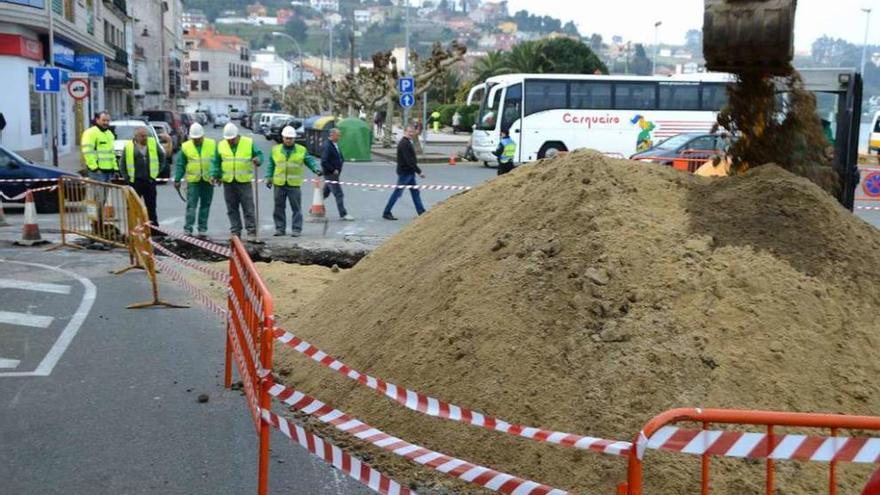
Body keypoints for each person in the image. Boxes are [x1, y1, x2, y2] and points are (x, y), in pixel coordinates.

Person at [265, 126, 322, 237]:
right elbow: (271, 165)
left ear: (294, 139)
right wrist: (269, 177)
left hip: (294, 184)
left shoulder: (301, 150)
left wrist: (316, 169)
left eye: (291, 138)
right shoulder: (275, 150)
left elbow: (309, 160)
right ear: (283, 138)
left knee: (296, 208)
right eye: (287, 138)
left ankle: (296, 229)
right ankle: (280, 229)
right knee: (278, 207)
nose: (289, 140)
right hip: (279, 183)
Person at [211, 122, 263, 240]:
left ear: (237, 136)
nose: (230, 141)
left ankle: (251, 231)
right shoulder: (221, 145)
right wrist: (215, 175)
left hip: (243, 181)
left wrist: (258, 159)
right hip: (228, 182)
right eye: (228, 139)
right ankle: (235, 231)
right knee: (231, 208)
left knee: (248, 207)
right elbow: (216, 162)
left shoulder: (248, 143)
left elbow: (259, 155)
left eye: (232, 139)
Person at [175, 123, 215, 238]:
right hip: (193, 181)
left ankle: (202, 228)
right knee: (191, 205)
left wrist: (217, 175)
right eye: (194, 139)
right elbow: (180, 164)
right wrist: (177, 179)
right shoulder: (186, 147)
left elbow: (216, 161)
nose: (197, 140)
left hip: (208, 180)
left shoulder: (211, 144)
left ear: (203, 136)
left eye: (198, 138)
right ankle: (188, 228)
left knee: (205, 205)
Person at [122, 126, 164, 227]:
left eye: (146, 136)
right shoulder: (128, 147)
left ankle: (154, 229)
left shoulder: (152, 143)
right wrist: (127, 178)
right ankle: (134, 228)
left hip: (149, 181)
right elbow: (122, 164)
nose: (145, 138)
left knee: (151, 206)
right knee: (134, 207)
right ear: (136, 137)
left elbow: (162, 157)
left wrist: (157, 172)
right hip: (135, 182)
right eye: (142, 136)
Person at [383, 126, 425, 220]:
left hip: (408, 172)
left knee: (415, 192)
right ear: (404, 132)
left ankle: (421, 212)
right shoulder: (404, 144)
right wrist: (419, 171)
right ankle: (386, 212)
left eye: (412, 132)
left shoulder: (406, 142)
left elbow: (410, 160)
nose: (411, 133)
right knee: (397, 193)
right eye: (409, 131)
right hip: (405, 173)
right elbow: (409, 161)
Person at [321, 128, 354, 221]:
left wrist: (341, 161)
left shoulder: (334, 144)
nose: (339, 137)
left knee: (325, 193)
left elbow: (339, 156)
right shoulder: (328, 145)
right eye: (338, 135)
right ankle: (343, 214)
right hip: (331, 174)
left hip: (334, 174)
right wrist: (333, 169)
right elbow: (324, 161)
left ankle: (314, 208)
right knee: (339, 194)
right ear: (332, 135)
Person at [80, 111, 117, 181]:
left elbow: (112, 153)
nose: (106, 122)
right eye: (103, 120)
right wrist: (94, 168)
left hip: (109, 171)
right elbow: (87, 152)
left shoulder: (109, 134)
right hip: (97, 172)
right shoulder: (90, 133)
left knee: (105, 192)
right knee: (98, 192)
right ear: (97, 120)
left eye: (108, 120)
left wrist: (115, 168)